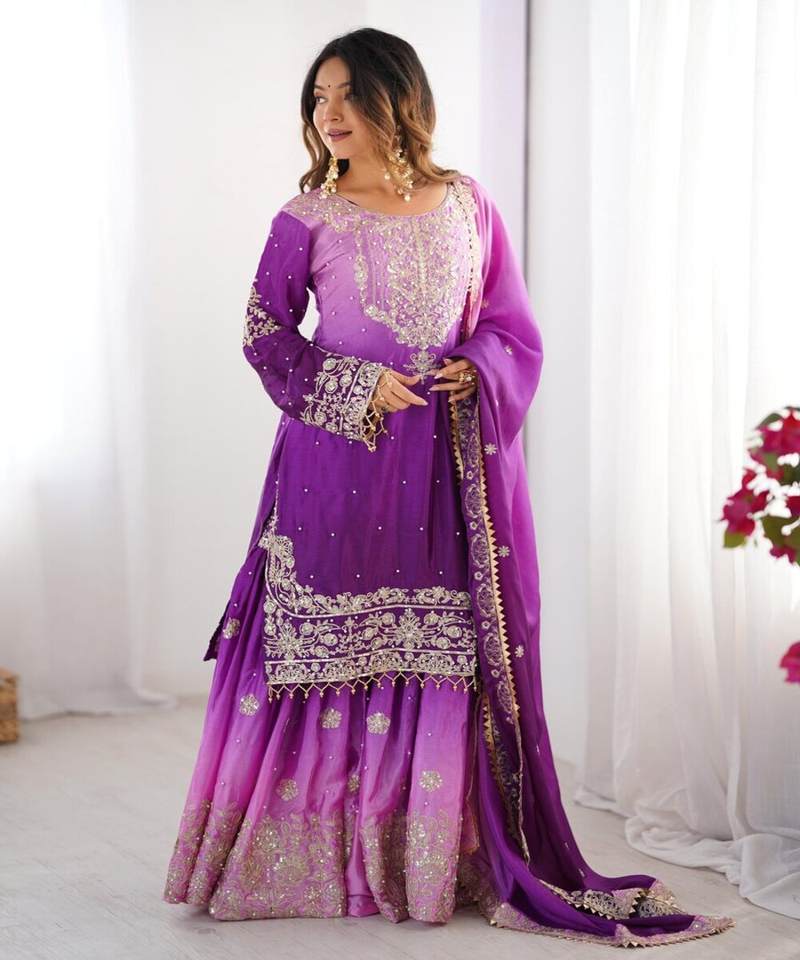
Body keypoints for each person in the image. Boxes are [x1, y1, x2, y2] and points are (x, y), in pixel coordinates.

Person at [162, 27, 735, 947]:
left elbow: (512, 326)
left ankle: (430, 858)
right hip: (336, 470)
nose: (329, 113)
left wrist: (482, 364)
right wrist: (352, 385)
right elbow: (265, 334)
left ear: (398, 98)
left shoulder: (469, 203)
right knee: (322, 649)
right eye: (318, 97)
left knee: (443, 650)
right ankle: (307, 861)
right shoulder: (306, 217)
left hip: (444, 471)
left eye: (348, 93)